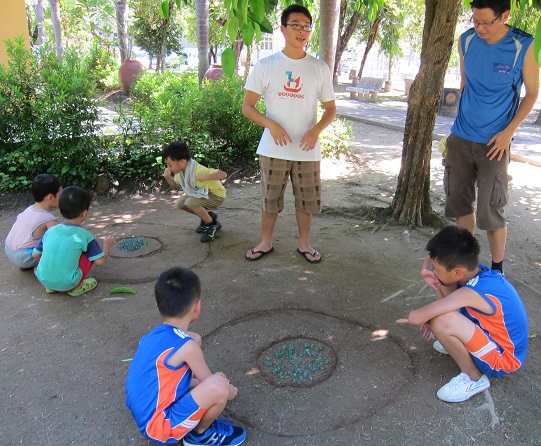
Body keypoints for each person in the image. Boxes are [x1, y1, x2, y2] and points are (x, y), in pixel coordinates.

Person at [441, 0, 539, 275]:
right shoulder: (466, 40)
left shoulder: (523, 45)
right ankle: (466, 265)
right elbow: (465, 83)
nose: (480, 28)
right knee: (461, 205)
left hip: (496, 144)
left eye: (486, 22)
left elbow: (532, 94)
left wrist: (508, 133)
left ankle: (497, 270)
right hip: (461, 139)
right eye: (475, 21)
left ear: (504, 16)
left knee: (491, 211)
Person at [242, 4, 337, 263]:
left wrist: (316, 131)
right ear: (283, 29)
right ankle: (265, 242)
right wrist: (271, 125)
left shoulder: (319, 68)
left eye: (306, 26)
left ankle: (304, 244)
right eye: (296, 25)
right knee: (270, 199)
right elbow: (248, 107)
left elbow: (331, 109)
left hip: (307, 150)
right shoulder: (266, 65)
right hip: (273, 149)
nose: (302, 31)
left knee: (306, 201)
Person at [125, 267, 246, 446]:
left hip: (145, 413)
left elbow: (161, 377)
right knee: (219, 386)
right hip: (160, 428)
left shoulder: (151, 337)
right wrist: (228, 389)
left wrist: (197, 384)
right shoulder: (187, 347)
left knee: (194, 338)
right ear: (197, 306)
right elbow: (212, 384)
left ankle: (189, 416)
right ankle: (199, 435)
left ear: (159, 305)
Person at [409, 225, 528, 403]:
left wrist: (428, 319)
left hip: (503, 360)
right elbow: (432, 258)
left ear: (458, 272)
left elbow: (416, 317)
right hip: (494, 339)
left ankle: (474, 378)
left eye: (436, 269)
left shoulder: (472, 292)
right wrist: (429, 272)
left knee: (442, 321)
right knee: (443, 292)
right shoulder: (474, 273)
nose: (434, 271)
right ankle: (458, 345)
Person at [32, 186, 115, 296]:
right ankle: (77, 287)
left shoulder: (50, 231)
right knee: (88, 254)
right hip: (69, 283)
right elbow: (99, 261)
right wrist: (107, 245)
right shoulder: (85, 236)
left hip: (44, 280)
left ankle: (52, 286)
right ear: (84, 213)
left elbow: (35, 255)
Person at [162, 141, 227, 243]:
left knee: (190, 203)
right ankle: (208, 217)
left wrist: (206, 177)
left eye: (170, 165)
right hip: (201, 194)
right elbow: (174, 185)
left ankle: (212, 225)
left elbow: (223, 174)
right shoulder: (181, 172)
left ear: (182, 162)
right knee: (179, 203)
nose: (168, 168)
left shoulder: (197, 170)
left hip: (216, 196)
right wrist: (167, 177)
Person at [4, 174, 62, 270]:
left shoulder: (29, 209)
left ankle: (28, 264)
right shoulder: (49, 219)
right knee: (58, 248)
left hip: (8, 250)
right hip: (23, 257)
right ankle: (43, 268)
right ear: (50, 197)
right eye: (60, 195)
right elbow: (57, 241)